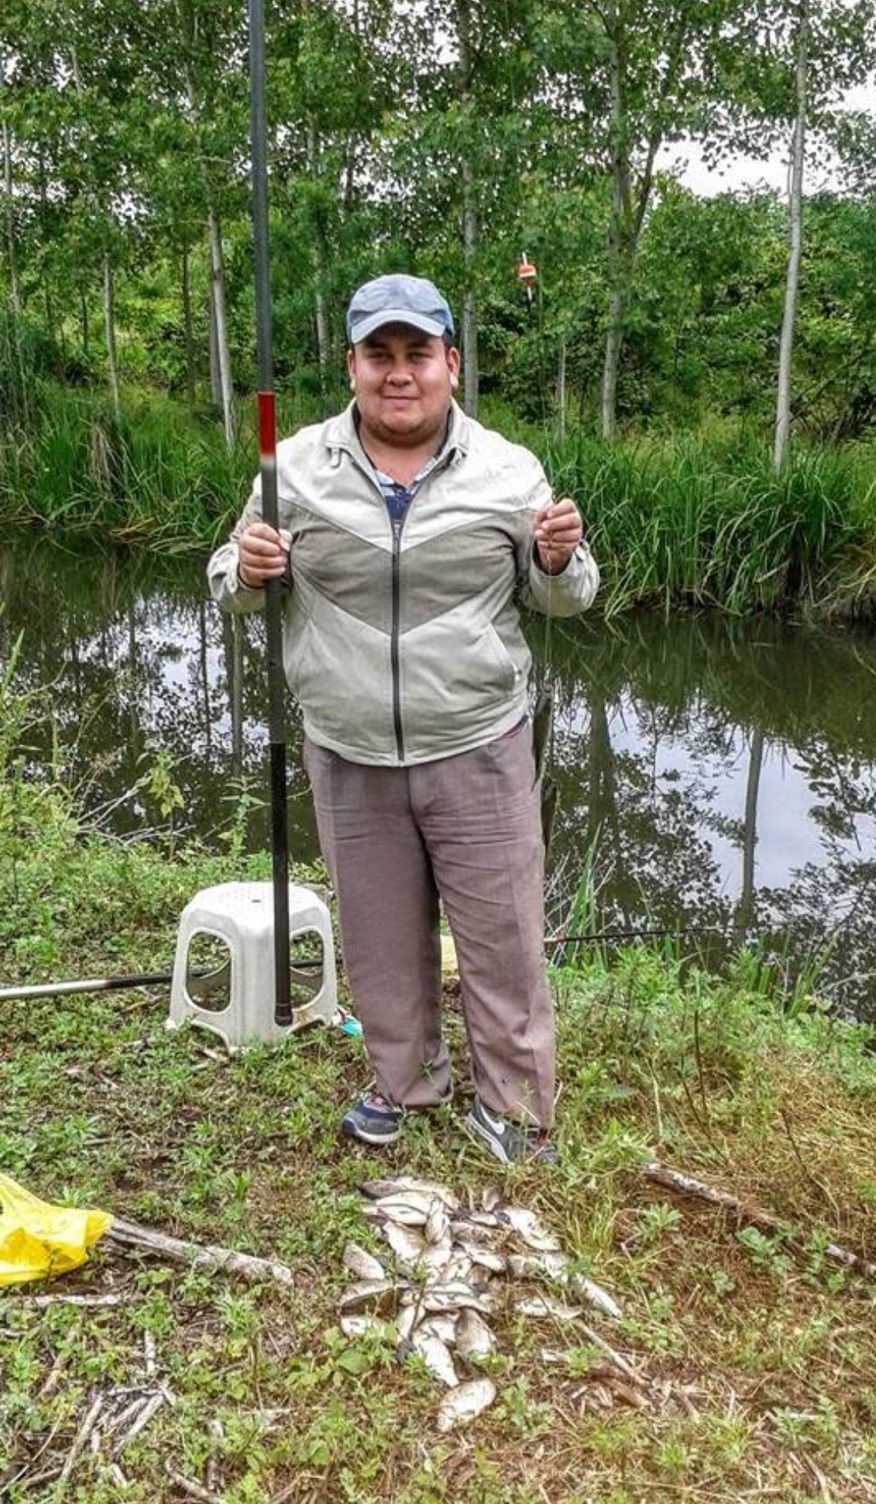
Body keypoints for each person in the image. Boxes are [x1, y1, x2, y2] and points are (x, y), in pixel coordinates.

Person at [208, 273, 598, 1164]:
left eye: (416, 353)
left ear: (450, 364)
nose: (398, 373)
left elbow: (565, 600)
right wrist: (249, 565)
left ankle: (515, 1108)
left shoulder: (510, 471)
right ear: (351, 365)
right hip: (346, 748)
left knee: (503, 940)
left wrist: (557, 559)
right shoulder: (292, 466)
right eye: (378, 355)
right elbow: (229, 580)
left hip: (477, 740)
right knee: (380, 941)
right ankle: (404, 1083)